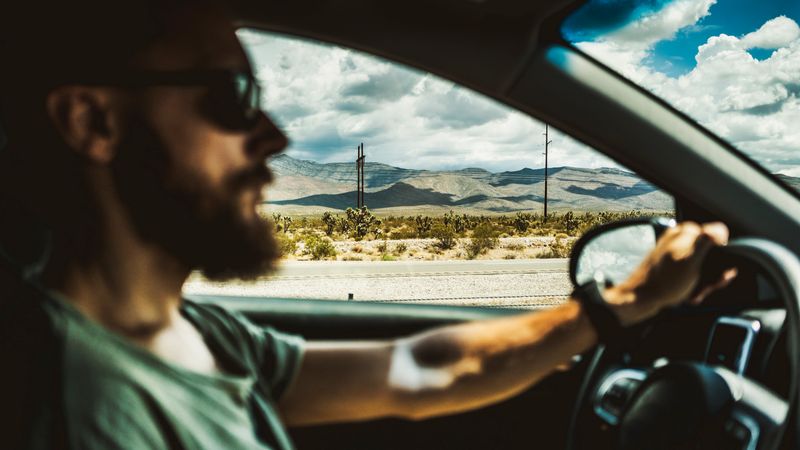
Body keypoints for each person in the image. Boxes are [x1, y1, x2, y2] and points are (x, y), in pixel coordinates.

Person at [0, 1, 732, 449]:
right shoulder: (82, 409)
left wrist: (626, 303)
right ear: (91, 120)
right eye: (232, 95)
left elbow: (419, 371)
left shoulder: (189, 333)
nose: (275, 138)